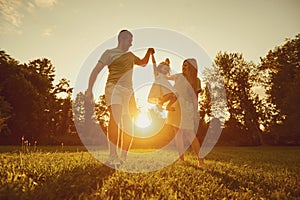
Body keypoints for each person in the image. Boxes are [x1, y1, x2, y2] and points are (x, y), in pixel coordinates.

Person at [86, 29, 154, 165]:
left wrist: (149, 51)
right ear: (122, 39)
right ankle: (112, 156)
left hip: (129, 91)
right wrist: (90, 88)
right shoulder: (109, 53)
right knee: (115, 120)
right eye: (130, 40)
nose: (131, 44)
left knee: (129, 126)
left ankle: (123, 157)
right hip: (113, 88)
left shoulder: (130, 55)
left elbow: (143, 63)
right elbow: (96, 70)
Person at [167, 58, 204, 168]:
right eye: (183, 65)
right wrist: (167, 66)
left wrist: (195, 112)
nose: (184, 67)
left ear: (192, 68)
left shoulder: (196, 81)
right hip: (176, 106)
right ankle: (181, 159)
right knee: (177, 132)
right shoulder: (178, 76)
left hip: (187, 108)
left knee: (190, 133)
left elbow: (195, 98)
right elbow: (167, 77)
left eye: (186, 66)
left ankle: (201, 161)